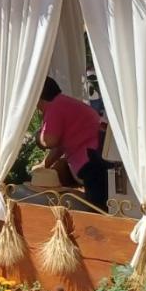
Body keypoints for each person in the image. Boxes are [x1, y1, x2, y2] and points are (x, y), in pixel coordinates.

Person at [37, 77, 110, 210]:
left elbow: (49, 141)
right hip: (98, 153)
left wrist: (39, 136)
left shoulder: (54, 107)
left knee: (98, 209)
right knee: (103, 204)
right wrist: (44, 165)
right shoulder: (63, 102)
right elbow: (60, 146)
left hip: (91, 158)